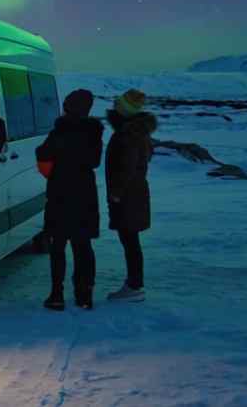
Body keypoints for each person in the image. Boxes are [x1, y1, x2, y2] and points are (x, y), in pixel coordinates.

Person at [34, 88, 104, 310]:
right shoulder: (94, 132)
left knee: (58, 246)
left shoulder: (59, 132)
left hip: (60, 193)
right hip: (84, 193)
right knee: (83, 245)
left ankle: (57, 294)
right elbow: (94, 162)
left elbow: (43, 154)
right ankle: (85, 294)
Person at [104, 89, 156, 303]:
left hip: (128, 196)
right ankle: (134, 284)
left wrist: (116, 192)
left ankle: (135, 286)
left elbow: (128, 167)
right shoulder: (133, 131)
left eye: (119, 104)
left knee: (130, 240)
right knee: (130, 240)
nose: (115, 106)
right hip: (133, 194)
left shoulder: (130, 134)